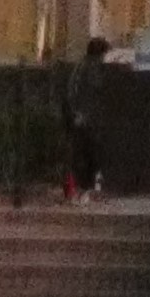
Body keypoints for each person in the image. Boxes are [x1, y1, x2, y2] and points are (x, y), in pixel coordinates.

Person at [62, 36, 110, 202]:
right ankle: (84, 190)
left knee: (81, 155)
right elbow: (89, 94)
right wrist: (81, 114)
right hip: (86, 119)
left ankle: (80, 189)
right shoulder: (91, 68)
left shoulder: (81, 66)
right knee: (88, 154)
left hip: (80, 117)